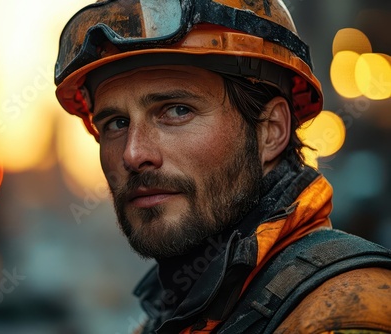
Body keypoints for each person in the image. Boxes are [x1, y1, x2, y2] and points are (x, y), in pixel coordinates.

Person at [54, 0, 391, 333]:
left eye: (177, 110)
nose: (132, 153)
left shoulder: (347, 311)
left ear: (271, 131)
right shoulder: (172, 316)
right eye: (115, 123)